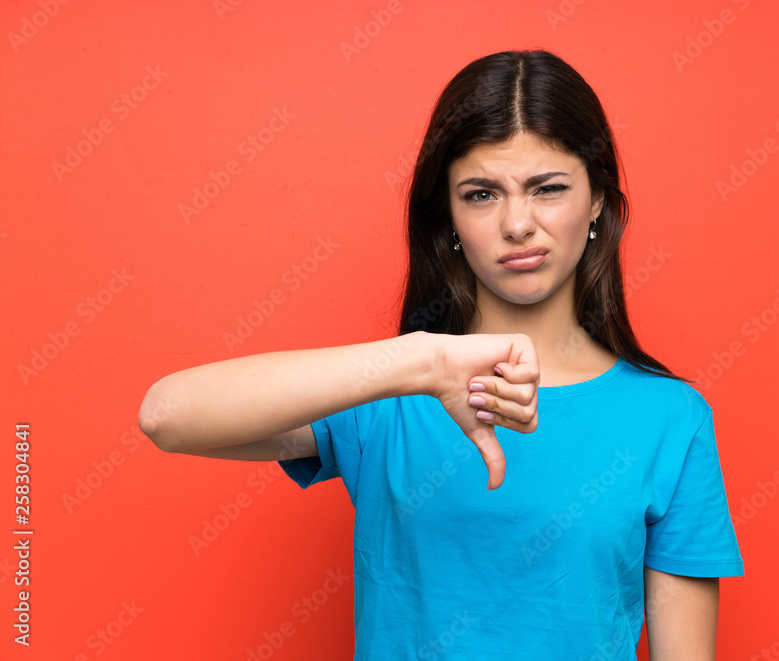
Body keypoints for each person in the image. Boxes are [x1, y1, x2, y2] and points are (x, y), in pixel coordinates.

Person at [139, 49, 744, 660]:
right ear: (449, 216)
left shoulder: (670, 419)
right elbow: (166, 415)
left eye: (548, 189)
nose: (517, 224)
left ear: (596, 201)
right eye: (481, 194)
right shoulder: (391, 389)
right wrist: (422, 364)